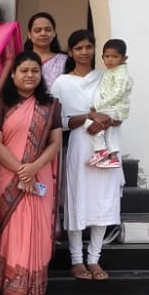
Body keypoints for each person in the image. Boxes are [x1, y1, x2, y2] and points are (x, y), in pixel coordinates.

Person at [0, 51, 63, 295]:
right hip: (9, 176)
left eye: (35, 71)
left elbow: (55, 143)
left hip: (39, 175)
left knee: (37, 236)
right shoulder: (0, 103)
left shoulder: (51, 105)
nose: (30, 75)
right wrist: (21, 170)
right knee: (12, 235)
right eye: (24, 70)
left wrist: (34, 167)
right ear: (13, 74)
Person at [55, 30, 123, 281]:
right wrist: (88, 117)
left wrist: (104, 121)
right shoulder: (62, 83)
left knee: (102, 199)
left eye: (88, 47)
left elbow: (120, 113)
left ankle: (94, 258)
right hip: (80, 145)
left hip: (106, 143)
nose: (84, 52)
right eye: (78, 48)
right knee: (78, 199)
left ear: (94, 49)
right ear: (70, 52)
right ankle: (76, 260)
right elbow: (60, 122)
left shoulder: (107, 79)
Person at [88, 38, 133, 168]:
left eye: (114, 56)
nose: (110, 60)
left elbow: (117, 94)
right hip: (113, 107)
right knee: (109, 130)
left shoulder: (121, 75)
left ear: (124, 58)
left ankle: (101, 150)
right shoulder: (111, 71)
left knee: (91, 121)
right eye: (107, 56)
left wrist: (98, 106)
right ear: (102, 57)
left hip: (116, 108)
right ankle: (113, 157)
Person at [24, 11, 68, 86]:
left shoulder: (65, 60)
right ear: (29, 34)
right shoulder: (21, 60)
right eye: (37, 30)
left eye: (48, 30)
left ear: (54, 33)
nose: (43, 33)